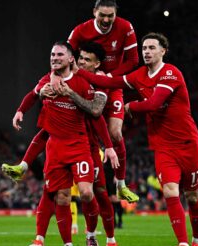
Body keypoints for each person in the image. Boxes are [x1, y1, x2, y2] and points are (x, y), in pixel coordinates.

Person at [73, 32, 198, 246]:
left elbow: (153, 103)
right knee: (170, 191)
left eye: (152, 48)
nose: (147, 52)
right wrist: (81, 73)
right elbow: (111, 81)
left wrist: (130, 106)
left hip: (187, 143)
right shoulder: (139, 74)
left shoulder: (171, 73)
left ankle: (197, 242)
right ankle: (183, 244)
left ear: (163, 51)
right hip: (162, 145)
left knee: (192, 195)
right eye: (144, 48)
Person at [3, 42, 119, 246]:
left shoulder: (86, 82)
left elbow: (96, 115)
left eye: (59, 55)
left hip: (81, 145)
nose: (55, 58)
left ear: (70, 59)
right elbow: (33, 94)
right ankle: (66, 244)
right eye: (52, 54)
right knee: (60, 195)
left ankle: (94, 236)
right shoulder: (47, 80)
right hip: (56, 148)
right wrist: (21, 111)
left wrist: (108, 146)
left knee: (89, 192)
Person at [54, 0, 140, 203]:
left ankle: (121, 185)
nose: (106, 19)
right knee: (84, 130)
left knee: (116, 133)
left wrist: (108, 77)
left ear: (116, 13)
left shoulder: (125, 27)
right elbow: (63, 55)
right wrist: (54, 75)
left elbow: (133, 61)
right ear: (94, 12)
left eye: (111, 15)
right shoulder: (80, 31)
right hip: (87, 85)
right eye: (102, 14)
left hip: (111, 84)